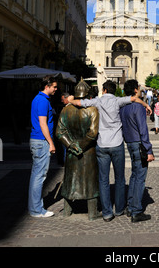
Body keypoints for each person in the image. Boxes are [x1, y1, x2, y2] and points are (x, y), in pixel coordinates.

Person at [67, 80, 152, 222]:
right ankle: (119, 209)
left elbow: (79, 103)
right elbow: (134, 98)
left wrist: (70, 100)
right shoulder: (118, 101)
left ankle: (107, 213)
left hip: (102, 144)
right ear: (113, 90)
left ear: (104, 90)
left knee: (103, 179)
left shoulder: (97, 101)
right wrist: (146, 105)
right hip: (117, 143)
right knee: (120, 178)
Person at [56, 79, 99, 220]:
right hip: (88, 151)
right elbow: (92, 133)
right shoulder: (92, 110)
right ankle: (92, 213)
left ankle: (67, 211)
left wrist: (71, 145)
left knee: (70, 181)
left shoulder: (66, 109)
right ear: (87, 94)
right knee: (89, 183)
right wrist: (80, 146)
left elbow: (59, 132)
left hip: (71, 151)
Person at [119, 79, 155, 222]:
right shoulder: (138, 107)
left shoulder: (123, 107)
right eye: (138, 88)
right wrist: (149, 150)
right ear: (135, 90)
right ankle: (136, 211)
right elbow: (143, 129)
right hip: (139, 144)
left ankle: (130, 206)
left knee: (134, 175)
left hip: (129, 142)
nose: (140, 90)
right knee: (140, 177)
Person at [28, 76, 57, 218]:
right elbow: (43, 123)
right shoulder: (43, 101)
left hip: (37, 140)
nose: (56, 89)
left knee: (36, 175)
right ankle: (37, 210)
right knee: (39, 176)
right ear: (47, 86)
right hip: (41, 141)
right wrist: (51, 142)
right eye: (54, 87)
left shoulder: (38, 99)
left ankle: (34, 207)